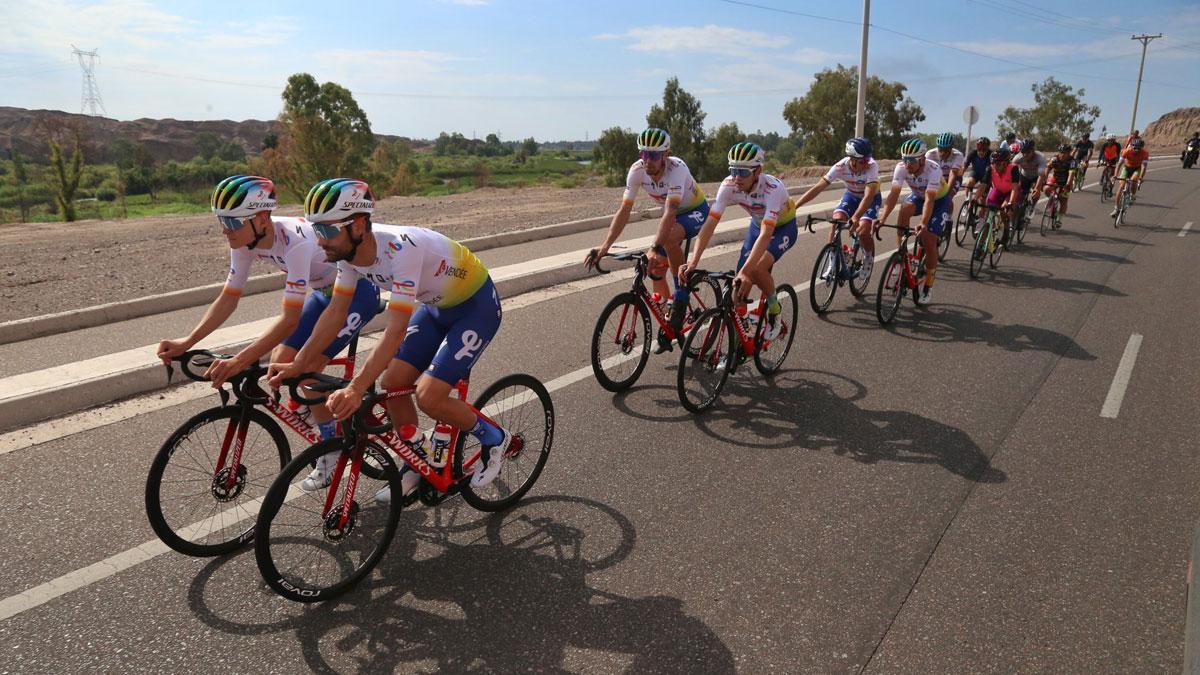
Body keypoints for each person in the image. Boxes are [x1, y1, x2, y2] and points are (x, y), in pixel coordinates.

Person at [269, 178, 509, 501]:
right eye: (316, 231)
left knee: (429, 396)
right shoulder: (347, 256)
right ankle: (417, 460)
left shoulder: (400, 248)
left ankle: (494, 437)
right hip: (437, 308)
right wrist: (298, 363)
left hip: (475, 308)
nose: (319, 240)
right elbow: (335, 313)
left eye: (326, 231)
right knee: (393, 383)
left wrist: (355, 388)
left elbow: (395, 331)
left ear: (357, 225)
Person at [157, 175, 380, 450]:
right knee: (280, 360)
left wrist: (239, 361)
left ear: (262, 219)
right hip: (325, 293)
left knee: (307, 370)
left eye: (232, 221)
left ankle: (331, 446)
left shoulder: (295, 242)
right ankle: (316, 413)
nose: (225, 230)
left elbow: (289, 320)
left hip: (358, 294)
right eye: (221, 221)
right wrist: (188, 342)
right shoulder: (244, 242)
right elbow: (229, 297)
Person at [584, 127, 709, 351]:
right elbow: (624, 211)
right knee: (653, 269)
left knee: (667, 240)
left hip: (694, 210)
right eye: (643, 154)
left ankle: (680, 295)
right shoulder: (637, 170)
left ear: (665, 155)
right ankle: (668, 317)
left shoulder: (677, 169)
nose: (647, 161)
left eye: (652, 156)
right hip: (671, 214)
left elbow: (670, 212)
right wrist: (604, 247)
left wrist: (654, 246)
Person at [679, 142, 797, 338]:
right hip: (757, 227)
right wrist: (693, 261)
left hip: (783, 228)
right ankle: (740, 340)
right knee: (737, 288)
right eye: (733, 170)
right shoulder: (728, 185)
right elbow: (709, 224)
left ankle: (775, 311)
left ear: (758, 170)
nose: (736, 177)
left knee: (756, 269)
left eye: (743, 173)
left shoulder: (773, 188)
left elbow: (767, 234)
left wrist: (745, 271)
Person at [792, 136, 881, 279]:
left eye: (867, 159)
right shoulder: (840, 167)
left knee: (863, 229)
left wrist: (856, 217)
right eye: (863, 161)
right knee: (836, 220)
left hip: (870, 199)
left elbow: (868, 196)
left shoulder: (872, 166)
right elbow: (818, 188)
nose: (867, 163)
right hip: (851, 196)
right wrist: (796, 206)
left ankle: (868, 258)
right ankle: (832, 262)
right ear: (852, 159)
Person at [877, 138, 949, 306]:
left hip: (938, 200)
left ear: (922, 159)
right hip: (918, 196)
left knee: (929, 240)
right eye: (905, 159)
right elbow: (894, 194)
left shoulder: (933, 169)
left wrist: (923, 222)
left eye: (911, 160)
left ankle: (929, 285)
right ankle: (900, 254)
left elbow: (930, 200)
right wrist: (882, 218)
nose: (907, 164)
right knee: (904, 210)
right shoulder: (901, 168)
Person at [976, 145, 1023, 235]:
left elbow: (1014, 189)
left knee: (1003, 210)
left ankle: (1006, 233)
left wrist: (1010, 203)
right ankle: (989, 230)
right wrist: (974, 199)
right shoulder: (990, 168)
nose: (995, 167)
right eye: (994, 164)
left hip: (1011, 192)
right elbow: (983, 185)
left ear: (1005, 163)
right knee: (989, 207)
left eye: (998, 164)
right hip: (998, 190)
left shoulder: (1013, 169)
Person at [926, 132, 965, 221]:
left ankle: (948, 219)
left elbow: (953, 174)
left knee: (947, 198)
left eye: (946, 150)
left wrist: (946, 193)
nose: (943, 153)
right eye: (941, 149)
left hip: (954, 177)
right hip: (938, 178)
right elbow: (927, 174)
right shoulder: (930, 154)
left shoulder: (958, 155)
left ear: (951, 148)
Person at [1012, 139, 1046, 231]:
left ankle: (1032, 207)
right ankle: (1019, 218)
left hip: (1037, 177)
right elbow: (1011, 172)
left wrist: (1037, 189)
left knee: (1036, 193)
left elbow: (1041, 175)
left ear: (1033, 150)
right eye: (1023, 152)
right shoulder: (1017, 158)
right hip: (1024, 176)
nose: (1025, 154)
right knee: (1020, 196)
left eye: (1028, 152)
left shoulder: (1040, 158)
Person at [1111, 138, 1150, 214]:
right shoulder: (1126, 151)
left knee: (1133, 180)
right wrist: (1115, 175)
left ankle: (1132, 194)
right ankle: (1116, 208)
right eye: (1134, 147)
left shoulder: (1145, 153)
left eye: (1138, 148)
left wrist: (1141, 177)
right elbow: (1119, 164)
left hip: (1137, 168)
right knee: (1121, 186)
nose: (1136, 149)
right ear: (1131, 146)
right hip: (1127, 168)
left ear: (1141, 147)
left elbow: (1143, 167)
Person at [1043, 144, 1078, 227]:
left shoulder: (1072, 161)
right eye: (1061, 152)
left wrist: (1067, 185)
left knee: (1063, 200)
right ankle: (1051, 200)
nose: (1062, 154)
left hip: (1066, 180)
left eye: (1065, 153)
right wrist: (1044, 179)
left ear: (1069, 153)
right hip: (1055, 178)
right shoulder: (1054, 159)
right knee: (1046, 188)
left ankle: (1059, 219)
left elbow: (1071, 174)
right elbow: (1048, 168)